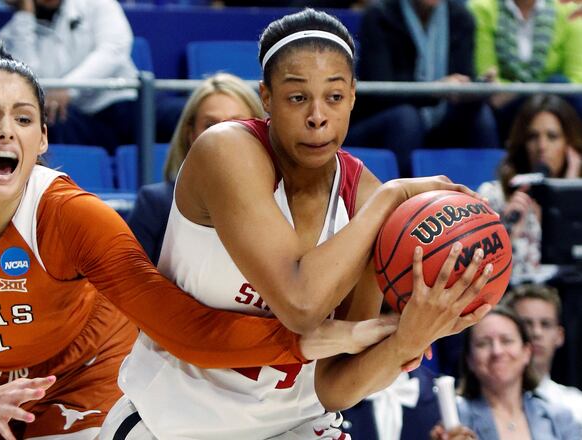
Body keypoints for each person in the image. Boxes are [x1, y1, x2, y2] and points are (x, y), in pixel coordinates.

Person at [0, 42, 404, 439]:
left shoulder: (71, 215)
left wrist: (317, 341)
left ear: (43, 139)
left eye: (24, 118)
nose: (5, 130)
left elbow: (180, 327)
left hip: (75, 374)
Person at [100, 9, 493, 440]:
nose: (318, 116)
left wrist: (408, 340)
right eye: (297, 97)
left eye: (335, 97)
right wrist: (388, 200)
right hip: (174, 424)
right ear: (266, 98)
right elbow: (301, 306)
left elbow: (335, 386)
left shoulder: (366, 199)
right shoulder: (227, 151)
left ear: (354, 98)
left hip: (297, 426)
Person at [0, 0, 177, 151]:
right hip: (75, 118)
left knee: (185, 115)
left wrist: (69, 88)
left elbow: (114, 50)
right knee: (46, 125)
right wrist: (24, 15)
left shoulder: (98, 5)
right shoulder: (12, 35)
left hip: (125, 103)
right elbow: (29, 78)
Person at [126, 73, 265, 264]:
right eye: (210, 125)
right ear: (190, 134)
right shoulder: (155, 204)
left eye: (236, 124)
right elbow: (124, 286)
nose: (221, 135)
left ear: (259, 132)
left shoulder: (281, 203)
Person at [349, 0, 500, 175]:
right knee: (406, 119)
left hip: (440, 121)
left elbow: (463, 74)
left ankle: (488, 193)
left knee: (481, 117)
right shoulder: (379, 15)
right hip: (386, 122)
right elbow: (382, 93)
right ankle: (404, 197)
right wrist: (436, 90)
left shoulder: (461, 18)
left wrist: (476, 88)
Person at [430, 306, 581, 439]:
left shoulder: (559, 417)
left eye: (506, 340)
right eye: (483, 343)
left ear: (527, 352)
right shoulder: (452, 419)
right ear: (469, 359)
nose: (497, 351)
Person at [477, 94, 582, 284]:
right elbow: (477, 272)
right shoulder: (493, 196)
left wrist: (569, 195)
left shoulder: (578, 198)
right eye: (533, 137)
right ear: (522, 143)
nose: (542, 147)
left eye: (552, 137)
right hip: (511, 300)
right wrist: (506, 231)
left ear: (569, 144)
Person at [468, 0, 582, 139]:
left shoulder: (569, 11)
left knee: (559, 83)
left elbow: (575, 81)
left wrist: (519, 90)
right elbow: (488, 78)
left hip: (556, 107)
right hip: (506, 110)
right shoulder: (481, 8)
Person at [504, 284, 582, 423]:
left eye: (545, 324)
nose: (536, 333)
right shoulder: (472, 407)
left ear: (560, 336)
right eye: (526, 323)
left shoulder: (576, 406)